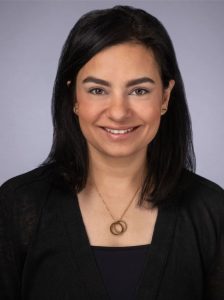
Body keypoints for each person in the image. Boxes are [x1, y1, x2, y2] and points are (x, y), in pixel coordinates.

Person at [0, 5, 223, 300]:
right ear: (73, 98)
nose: (118, 112)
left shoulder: (211, 209)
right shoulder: (17, 205)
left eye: (139, 91)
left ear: (165, 97)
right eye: (97, 90)